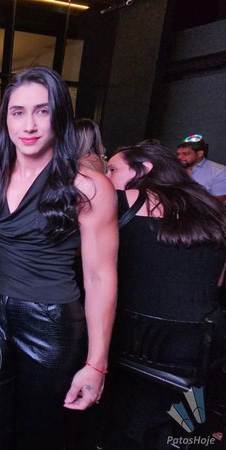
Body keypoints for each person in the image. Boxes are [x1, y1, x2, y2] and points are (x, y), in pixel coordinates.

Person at [0, 66, 118, 450]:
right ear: (6, 119)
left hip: (49, 325)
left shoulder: (89, 186)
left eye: (42, 111)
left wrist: (96, 364)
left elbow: (100, 277)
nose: (28, 125)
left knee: (40, 437)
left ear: (59, 117)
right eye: (18, 112)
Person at [103, 142, 226, 448]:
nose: (107, 177)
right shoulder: (210, 205)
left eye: (113, 169)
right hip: (200, 343)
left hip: (136, 339)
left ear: (144, 170)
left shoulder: (123, 200)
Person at [176, 135, 226, 201]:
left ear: (200, 154)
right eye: (178, 154)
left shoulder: (220, 171)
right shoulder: (174, 168)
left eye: (185, 154)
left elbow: (218, 201)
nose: (179, 157)